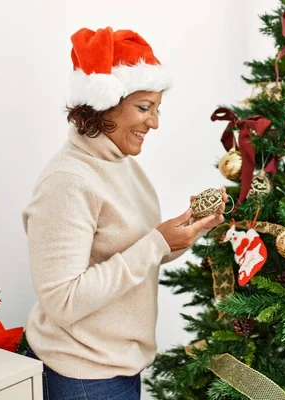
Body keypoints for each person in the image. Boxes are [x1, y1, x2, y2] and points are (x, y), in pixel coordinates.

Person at [22, 26, 226, 400]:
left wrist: (186, 232)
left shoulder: (121, 164)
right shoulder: (67, 182)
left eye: (157, 108)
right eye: (144, 107)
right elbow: (64, 300)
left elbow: (135, 250)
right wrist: (156, 243)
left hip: (119, 368)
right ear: (103, 104)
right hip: (82, 375)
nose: (155, 122)